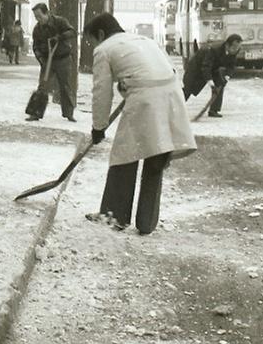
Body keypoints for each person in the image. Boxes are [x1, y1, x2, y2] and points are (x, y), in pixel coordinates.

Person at [84, 13, 196, 235]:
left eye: (92, 41)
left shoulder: (104, 49)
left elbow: (101, 92)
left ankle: (114, 216)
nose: (93, 46)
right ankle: (147, 221)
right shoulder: (145, 41)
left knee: (124, 155)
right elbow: (154, 71)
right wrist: (128, 87)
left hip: (146, 100)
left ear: (100, 34)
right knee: (157, 153)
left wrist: (99, 127)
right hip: (172, 96)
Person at [28, 3, 76, 122]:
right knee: (43, 86)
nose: (38, 19)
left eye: (39, 16)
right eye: (36, 17)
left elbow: (72, 32)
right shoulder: (37, 29)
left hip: (63, 59)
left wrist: (59, 37)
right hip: (47, 60)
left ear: (47, 13)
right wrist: (41, 59)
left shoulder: (59, 22)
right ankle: (36, 112)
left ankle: (68, 113)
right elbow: (36, 47)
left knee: (65, 86)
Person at [182, 34, 242, 118]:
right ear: (227, 45)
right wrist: (211, 83)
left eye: (238, 48)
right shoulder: (214, 49)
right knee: (189, 88)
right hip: (196, 68)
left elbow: (231, 65)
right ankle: (176, 107)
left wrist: (227, 77)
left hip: (213, 68)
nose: (236, 50)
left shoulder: (234, 50)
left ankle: (214, 110)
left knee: (220, 84)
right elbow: (206, 67)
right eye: (234, 47)